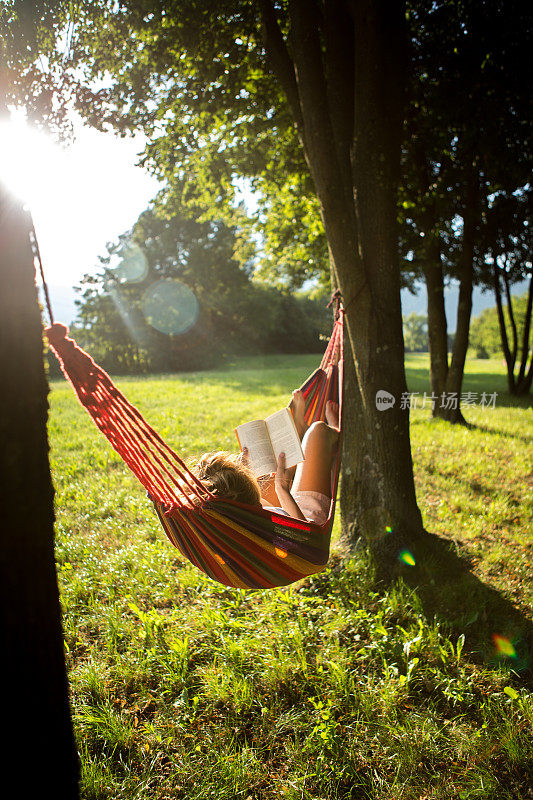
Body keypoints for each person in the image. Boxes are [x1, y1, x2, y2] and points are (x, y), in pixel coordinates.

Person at [194, 390, 340, 524]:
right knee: (318, 431)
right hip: (304, 517)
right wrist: (282, 491)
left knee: (277, 465)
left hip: (269, 513)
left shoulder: (223, 520)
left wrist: (246, 476)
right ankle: (333, 429)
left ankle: (298, 434)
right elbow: (307, 541)